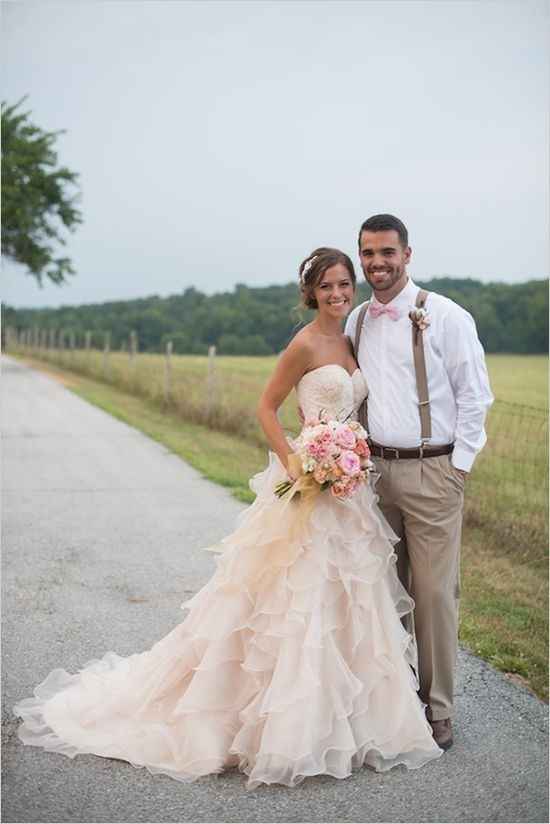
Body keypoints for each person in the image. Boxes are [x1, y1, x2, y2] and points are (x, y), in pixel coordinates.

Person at [14, 247, 442, 790]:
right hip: (310, 485)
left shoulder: (351, 337)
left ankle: (354, 724)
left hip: (349, 491)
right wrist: (299, 461)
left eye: (344, 284)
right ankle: (280, 727)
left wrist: (346, 459)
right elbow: (266, 407)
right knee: (293, 603)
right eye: (327, 286)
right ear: (311, 292)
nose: (338, 294)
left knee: (351, 600)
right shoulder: (305, 343)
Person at [344, 214, 494, 751]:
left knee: (432, 595)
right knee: (384, 592)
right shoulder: (356, 321)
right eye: (368, 253)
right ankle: (395, 699)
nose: (377, 262)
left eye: (387, 252)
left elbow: (476, 395)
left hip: (435, 471)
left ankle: (439, 709)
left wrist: (459, 468)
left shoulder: (447, 316)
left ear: (407, 255)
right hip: (372, 475)